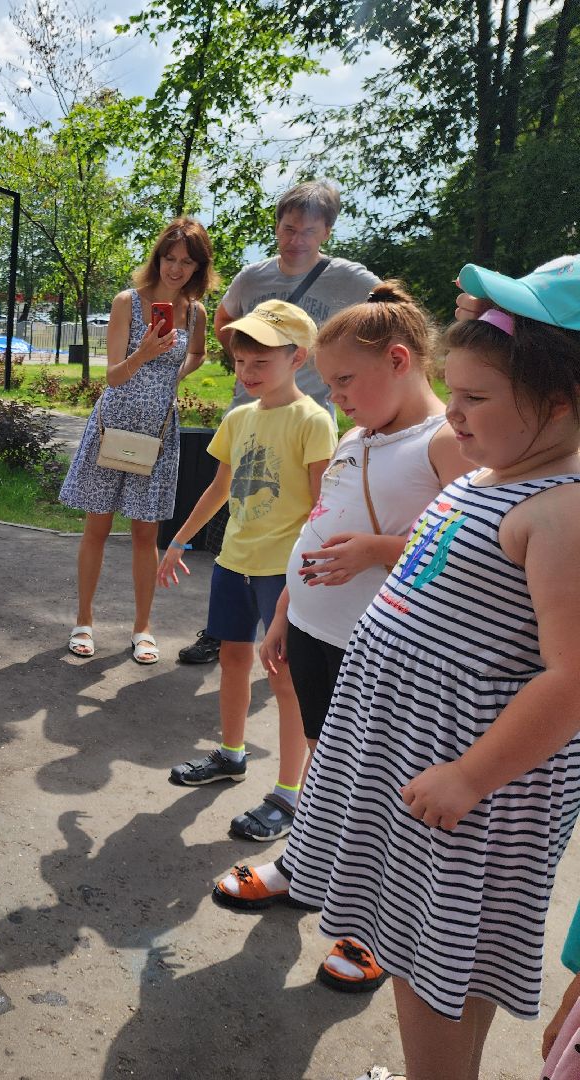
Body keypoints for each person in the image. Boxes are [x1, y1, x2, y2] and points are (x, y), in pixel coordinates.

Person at [279, 256, 580, 1080]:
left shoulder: (561, 512)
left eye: (476, 398)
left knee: (432, 966)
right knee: (431, 955)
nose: (454, 412)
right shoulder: (496, 474)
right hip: (420, 762)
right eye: (455, 390)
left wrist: (471, 776)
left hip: (469, 789)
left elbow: (572, 679)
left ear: (560, 401)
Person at [208, 283, 467, 996]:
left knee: (381, 785)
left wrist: (380, 550)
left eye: (347, 380)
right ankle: (303, 868)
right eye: (332, 383)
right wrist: (285, 612)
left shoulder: (443, 441)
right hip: (315, 631)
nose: (338, 397)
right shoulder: (357, 436)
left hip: (381, 649)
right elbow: (321, 524)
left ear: (399, 360)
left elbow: (476, 543)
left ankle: (376, 927)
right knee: (327, 768)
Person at [180, 180, 379, 665]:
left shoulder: (351, 280)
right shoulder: (254, 277)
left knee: (301, 516)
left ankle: (292, 628)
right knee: (238, 515)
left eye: (308, 231)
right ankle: (223, 631)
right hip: (250, 415)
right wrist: (253, 365)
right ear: (277, 227)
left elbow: (390, 311)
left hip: (308, 418)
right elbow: (224, 320)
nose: (296, 240)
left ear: (326, 232)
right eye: (288, 229)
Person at [156, 301, 336, 796]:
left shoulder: (313, 420)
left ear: (297, 358)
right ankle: (231, 755)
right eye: (240, 361)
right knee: (233, 659)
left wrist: (307, 573)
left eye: (261, 361)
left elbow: (322, 506)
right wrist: (179, 540)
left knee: (283, 676)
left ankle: (289, 792)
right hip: (233, 561)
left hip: (283, 569)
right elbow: (219, 488)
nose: (247, 372)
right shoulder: (238, 418)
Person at [58, 217, 217, 662]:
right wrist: (145, 353)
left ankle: (142, 627)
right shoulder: (127, 302)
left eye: (187, 262)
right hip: (113, 425)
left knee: (146, 535)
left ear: (199, 267)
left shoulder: (195, 313)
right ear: (158, 258)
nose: (176, 268)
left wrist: (173, 374)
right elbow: (112, 376)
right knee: (98, 527)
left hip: (158, 433)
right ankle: (84, 620)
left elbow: (198, 352)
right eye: (170, 258)